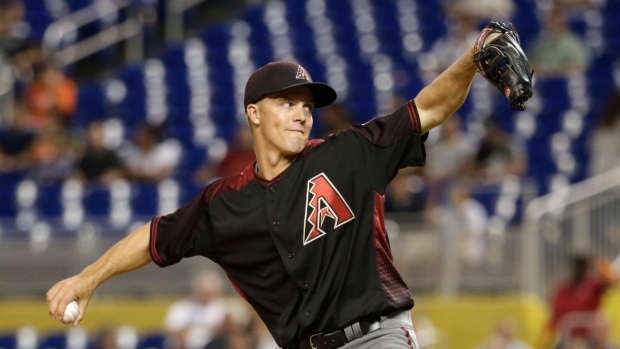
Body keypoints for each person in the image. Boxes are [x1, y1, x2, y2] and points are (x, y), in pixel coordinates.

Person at [46, 26, 516, 349]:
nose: (301, 112)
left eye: (306, 105)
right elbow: (153, 239)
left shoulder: (345, 154)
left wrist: (472, 59)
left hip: (377, 336)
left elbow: (426, 110)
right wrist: (88, 278)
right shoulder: (224, 203)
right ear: (254, 113)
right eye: (286, 102)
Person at [545, 254, 617, 348]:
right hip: (568, 337)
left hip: (592, 336)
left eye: (582, 265)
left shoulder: (593, 285)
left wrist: (598, 263)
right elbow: (557, 315)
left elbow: (612, 280)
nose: (579, 269)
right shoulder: (563, 288)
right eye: (576, 266)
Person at [164, 271, 227, 349]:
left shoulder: (220, 307)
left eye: (209, 293)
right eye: (203, 292)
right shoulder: (180, 308)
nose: (205, 296)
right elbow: (174, 330)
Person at [526, 6, 591, 78]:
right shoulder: (539, 43)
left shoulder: (574, 43)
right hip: (542, 83)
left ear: (564, 24)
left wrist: (556, 71)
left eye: (557, 23)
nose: (553, 25)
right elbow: (529, 66)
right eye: (551, 22)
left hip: (566, 83)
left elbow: (580, 66)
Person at [72, 121, 124, 185]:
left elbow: (118, 172)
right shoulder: (85, 159)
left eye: (97, 138)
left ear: (102, 136)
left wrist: (111, 176)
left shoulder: (111, 156)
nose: (94, 139)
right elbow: (78, 174)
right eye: (92, 138)